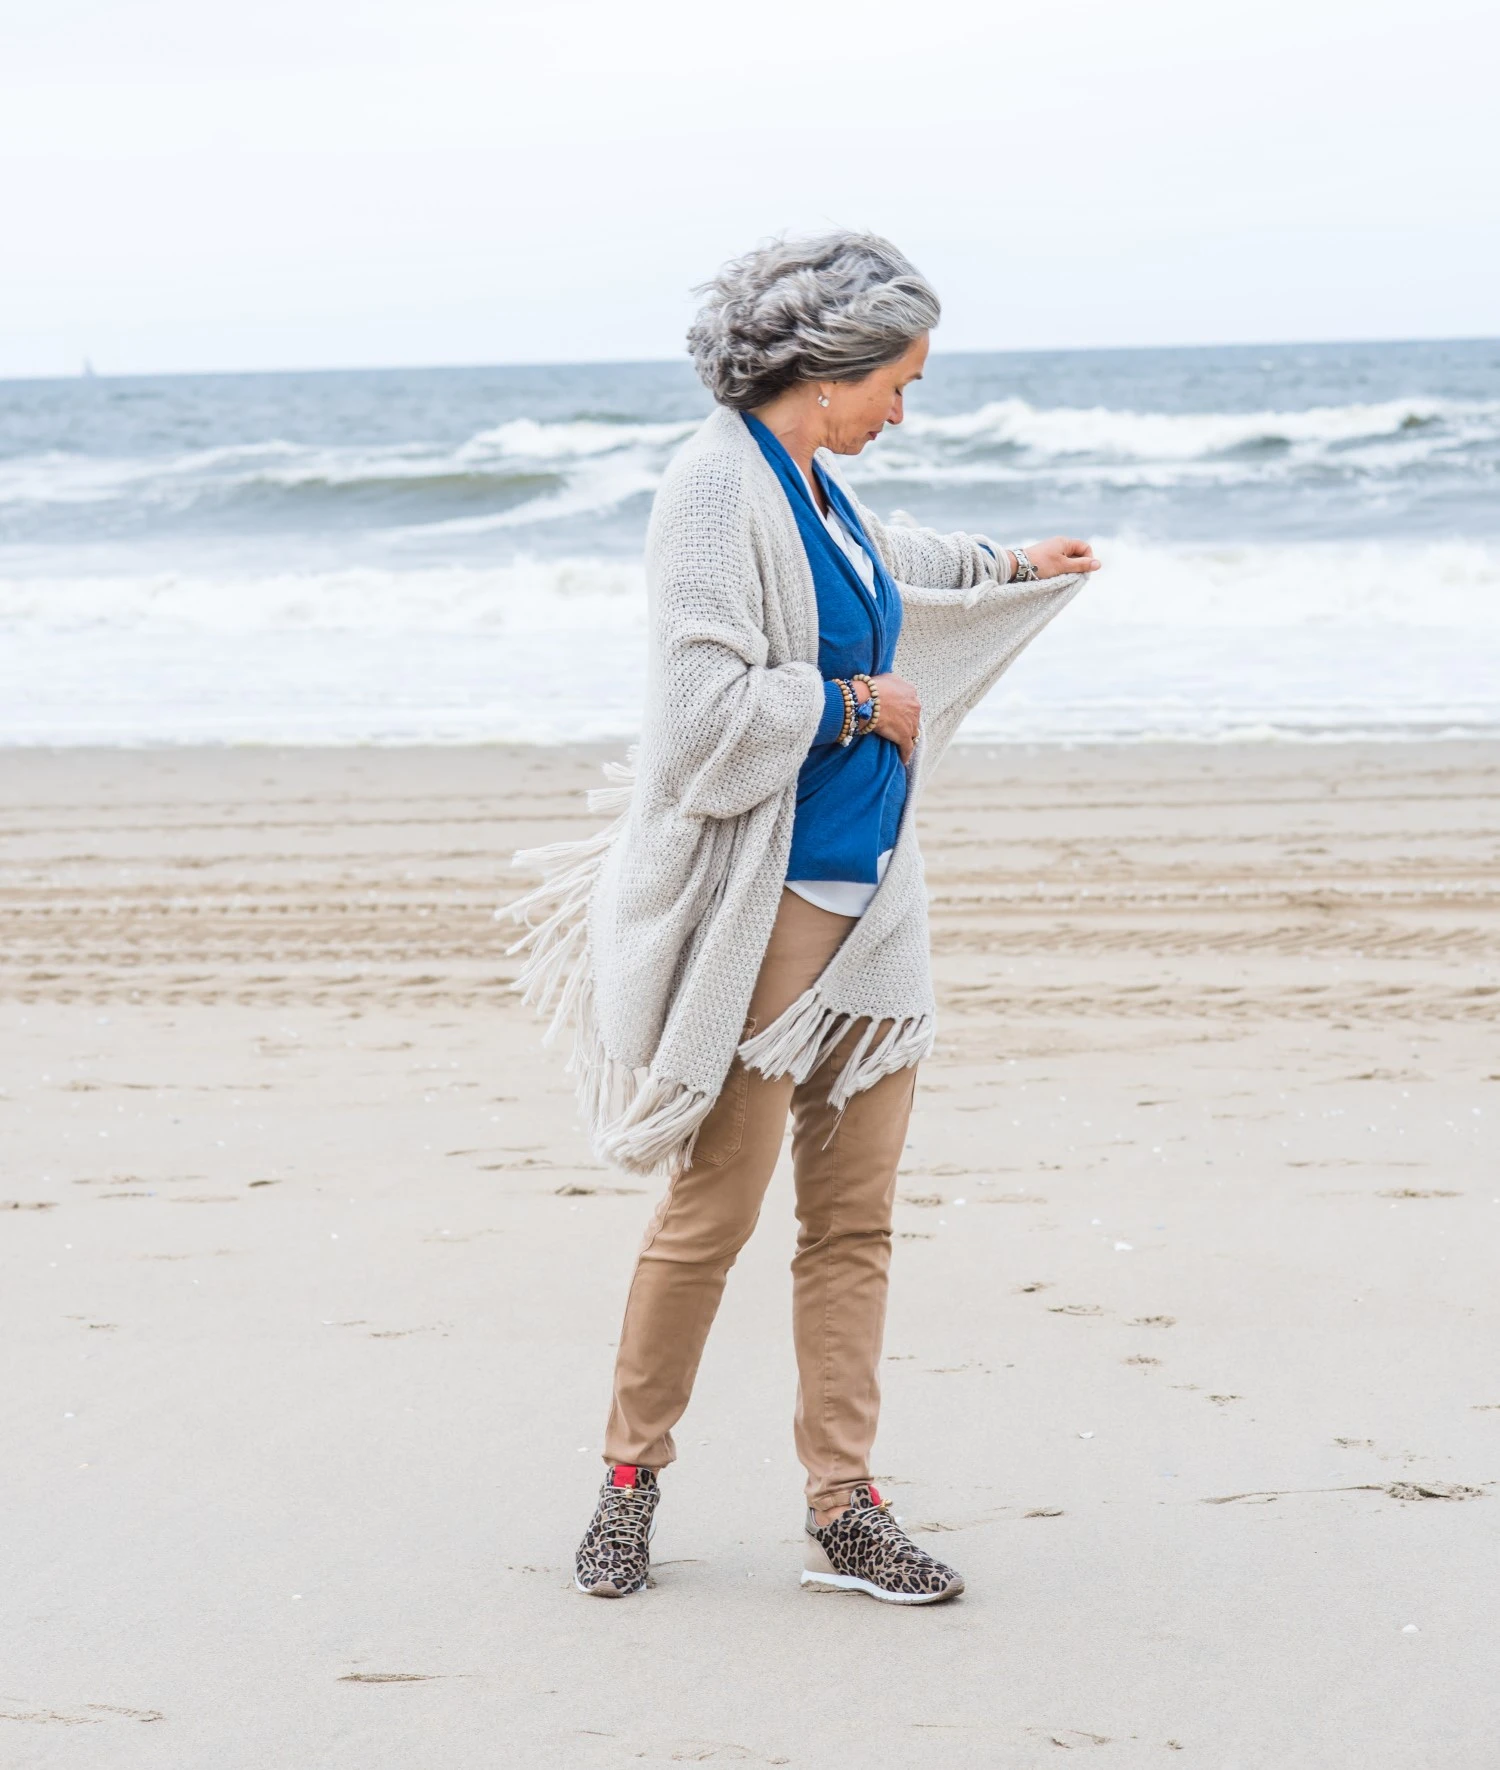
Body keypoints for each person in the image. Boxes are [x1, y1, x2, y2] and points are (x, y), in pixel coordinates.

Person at [510, 231, 1100, 1604]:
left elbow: (884, 567)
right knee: (712, 1212)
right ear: (828, 371)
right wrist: (855, 705)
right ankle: (626, 1481)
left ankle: (845, 1504)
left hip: (874, 909)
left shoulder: (814, 487)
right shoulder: (711, 491)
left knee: (856, 1221)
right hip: (765, 916)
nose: (906, 407)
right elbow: (704, 724)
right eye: (899, 380)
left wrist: (1012, 560)